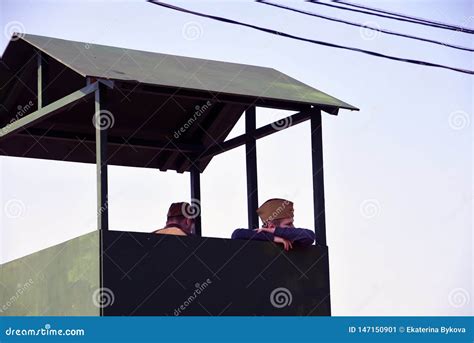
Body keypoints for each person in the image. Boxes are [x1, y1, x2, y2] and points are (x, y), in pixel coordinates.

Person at [231, 198, 315, 250]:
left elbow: (310, 236)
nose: (293, 227)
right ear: (271, 226)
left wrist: (276, 231)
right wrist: (274, 238)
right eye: (288, 224)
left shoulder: (292, 240)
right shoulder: (259, 239)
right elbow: (237, 234)